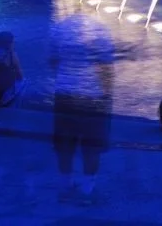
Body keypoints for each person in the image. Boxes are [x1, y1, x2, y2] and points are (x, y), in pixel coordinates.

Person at [49, 12, 115, 203]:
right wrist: (107, 97)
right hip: (92, 99)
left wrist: (67, 80)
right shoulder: (100, 31)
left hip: (64, 97)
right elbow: (105, 69)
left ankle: (65, 187)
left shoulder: (59, 28)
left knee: (64, 146)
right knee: (92, 147)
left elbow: (53, 62)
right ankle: (87, 191)